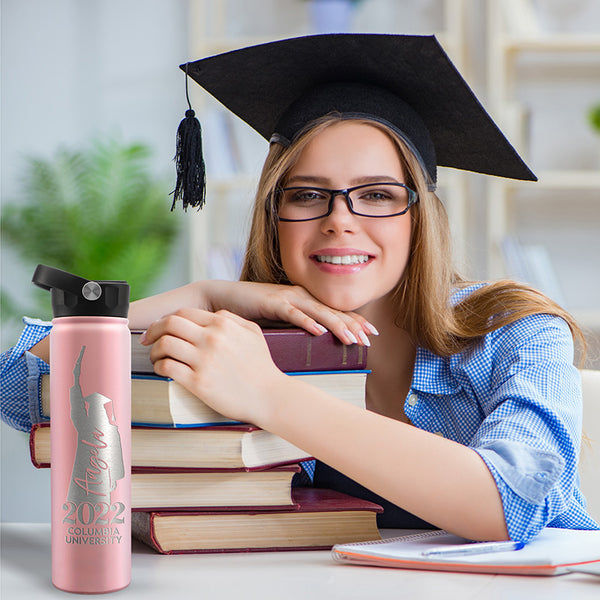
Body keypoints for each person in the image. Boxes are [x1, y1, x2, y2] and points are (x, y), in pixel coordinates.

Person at [2, 34, 597, 543]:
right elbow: (17, 389)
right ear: (273, 217)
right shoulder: (236, 343)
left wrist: (268, 395)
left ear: (420, 218)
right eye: (308, 195)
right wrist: (205, 297)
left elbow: (511, 502)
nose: (340, 219)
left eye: (378, 195)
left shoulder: (514, 330)